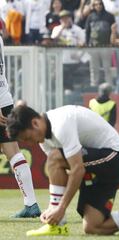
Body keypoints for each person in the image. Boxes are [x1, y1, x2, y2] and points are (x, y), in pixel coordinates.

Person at [6, 105, 119, 236]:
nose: (30, 143)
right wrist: (52, 210)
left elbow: (76, 169)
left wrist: (60, 208)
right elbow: (62, 173)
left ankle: (57, 224)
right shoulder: (43, 139)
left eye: (27, 138)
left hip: (114, 157)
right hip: (98, 164)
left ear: (35, 123)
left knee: (55, 158)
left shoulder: (60, 123)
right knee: (93, 226)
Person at [0, 35, 41, 218]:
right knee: (14, 153)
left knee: (14, 154)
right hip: (4, 100)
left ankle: (31, 205)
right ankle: (31, 204)